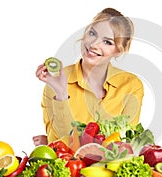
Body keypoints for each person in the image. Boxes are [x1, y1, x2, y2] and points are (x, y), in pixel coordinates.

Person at [33, 7, 144, 146]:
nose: (93, 44)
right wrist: (61, 93)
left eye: (107, 42)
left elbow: (124, 144)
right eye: (92, 33)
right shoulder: (54, 84)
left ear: (118, 51)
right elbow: (62, 146)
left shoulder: (131, 85)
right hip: (71, 167)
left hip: (108, 168)